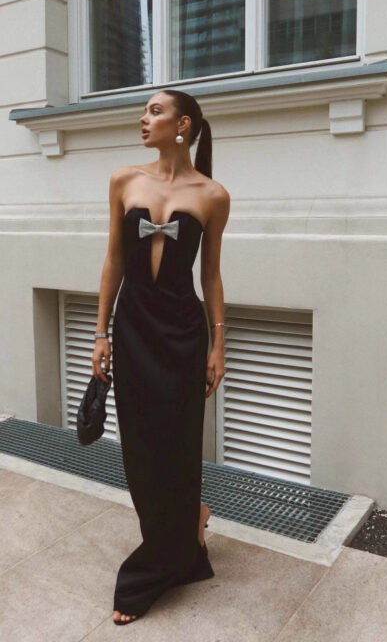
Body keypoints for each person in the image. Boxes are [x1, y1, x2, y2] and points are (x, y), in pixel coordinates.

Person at [91, 89, 230, 624]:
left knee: (178, 445)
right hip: (134, 327)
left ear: (183, 124)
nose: (142, 118)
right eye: (144, 111)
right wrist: (101, 333)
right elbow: (112, 260)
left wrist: (219, 341)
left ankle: (154, 569)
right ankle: (188, 527)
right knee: (142, 451)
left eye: (154, 111)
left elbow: (212, 274)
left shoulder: (213, 195)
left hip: (182, 333)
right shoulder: (124, 180)